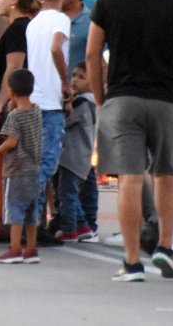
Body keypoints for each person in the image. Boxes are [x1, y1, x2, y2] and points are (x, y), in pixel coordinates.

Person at [88, 0, 173, 282]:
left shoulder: (108, 1)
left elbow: (93, 54)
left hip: (123, 99)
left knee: (130, 179)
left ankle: (133, 262)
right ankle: (166, 248)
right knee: (167, 175)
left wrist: (99, 95)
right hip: (167, 99)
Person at [0, 0, 36, 240]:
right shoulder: (19, 28)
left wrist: (0, 105)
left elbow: (14, 68)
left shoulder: (18, 29)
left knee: (9, 167)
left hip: (10, 106)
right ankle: (6, 222)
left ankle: (9, 227)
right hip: (15, 105)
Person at [25, 0, 71, 233]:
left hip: (33, 102)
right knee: (46, 165)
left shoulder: (33, 23)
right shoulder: (60, 20)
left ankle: (32, 226)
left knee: (35, 163)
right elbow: (56, 48)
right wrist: (65, 81)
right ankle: (34, 225)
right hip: (51, 105)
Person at [0, 69, 44, 264]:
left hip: (16, 172)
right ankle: (31, 249)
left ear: (11, 91)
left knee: (14, 211)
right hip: (34, 171)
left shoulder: (14, 116)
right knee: (32, 212)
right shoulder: (37, 111)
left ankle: (15, 249)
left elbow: (12, 142)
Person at [56, 63, 97, 242]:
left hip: (73, 157)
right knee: (69, 193)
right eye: (73, 76)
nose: (74, 80)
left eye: (81, 77)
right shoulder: (86, 100)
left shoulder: (82, 102)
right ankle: (83, 226)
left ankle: (69, 230)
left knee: (67, 194)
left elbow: (66, 122)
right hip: (76, 157)